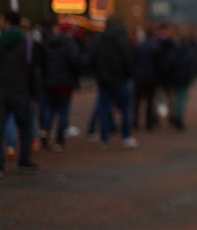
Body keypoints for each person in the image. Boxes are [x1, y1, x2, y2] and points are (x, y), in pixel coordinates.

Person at [0, 10, 41, 176]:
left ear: (7, 22)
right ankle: (24, 161)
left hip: (1, 91)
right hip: (21, 90)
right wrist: (35, 94)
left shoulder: (0, 40)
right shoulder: (28, 41)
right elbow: (33, 70)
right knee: (25, 127)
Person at [89, 17, 137, 149]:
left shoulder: (99, 40)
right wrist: (128, 75)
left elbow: (92, 59)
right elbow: (128, 60)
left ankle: (104, 138)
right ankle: (126, 136)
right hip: (121, 79)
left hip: (104, 80)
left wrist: (98, 74)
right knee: (126, 109)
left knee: (104, 108)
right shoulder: (122, 39)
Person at [38, 22, 82, 151]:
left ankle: (45, 132)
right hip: (65, 84)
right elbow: (75, 62)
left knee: (49, 110)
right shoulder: (70, 44)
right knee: (63, 111)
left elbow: (43, 62)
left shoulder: (48, 42)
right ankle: (59, 139)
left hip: (49, 83)